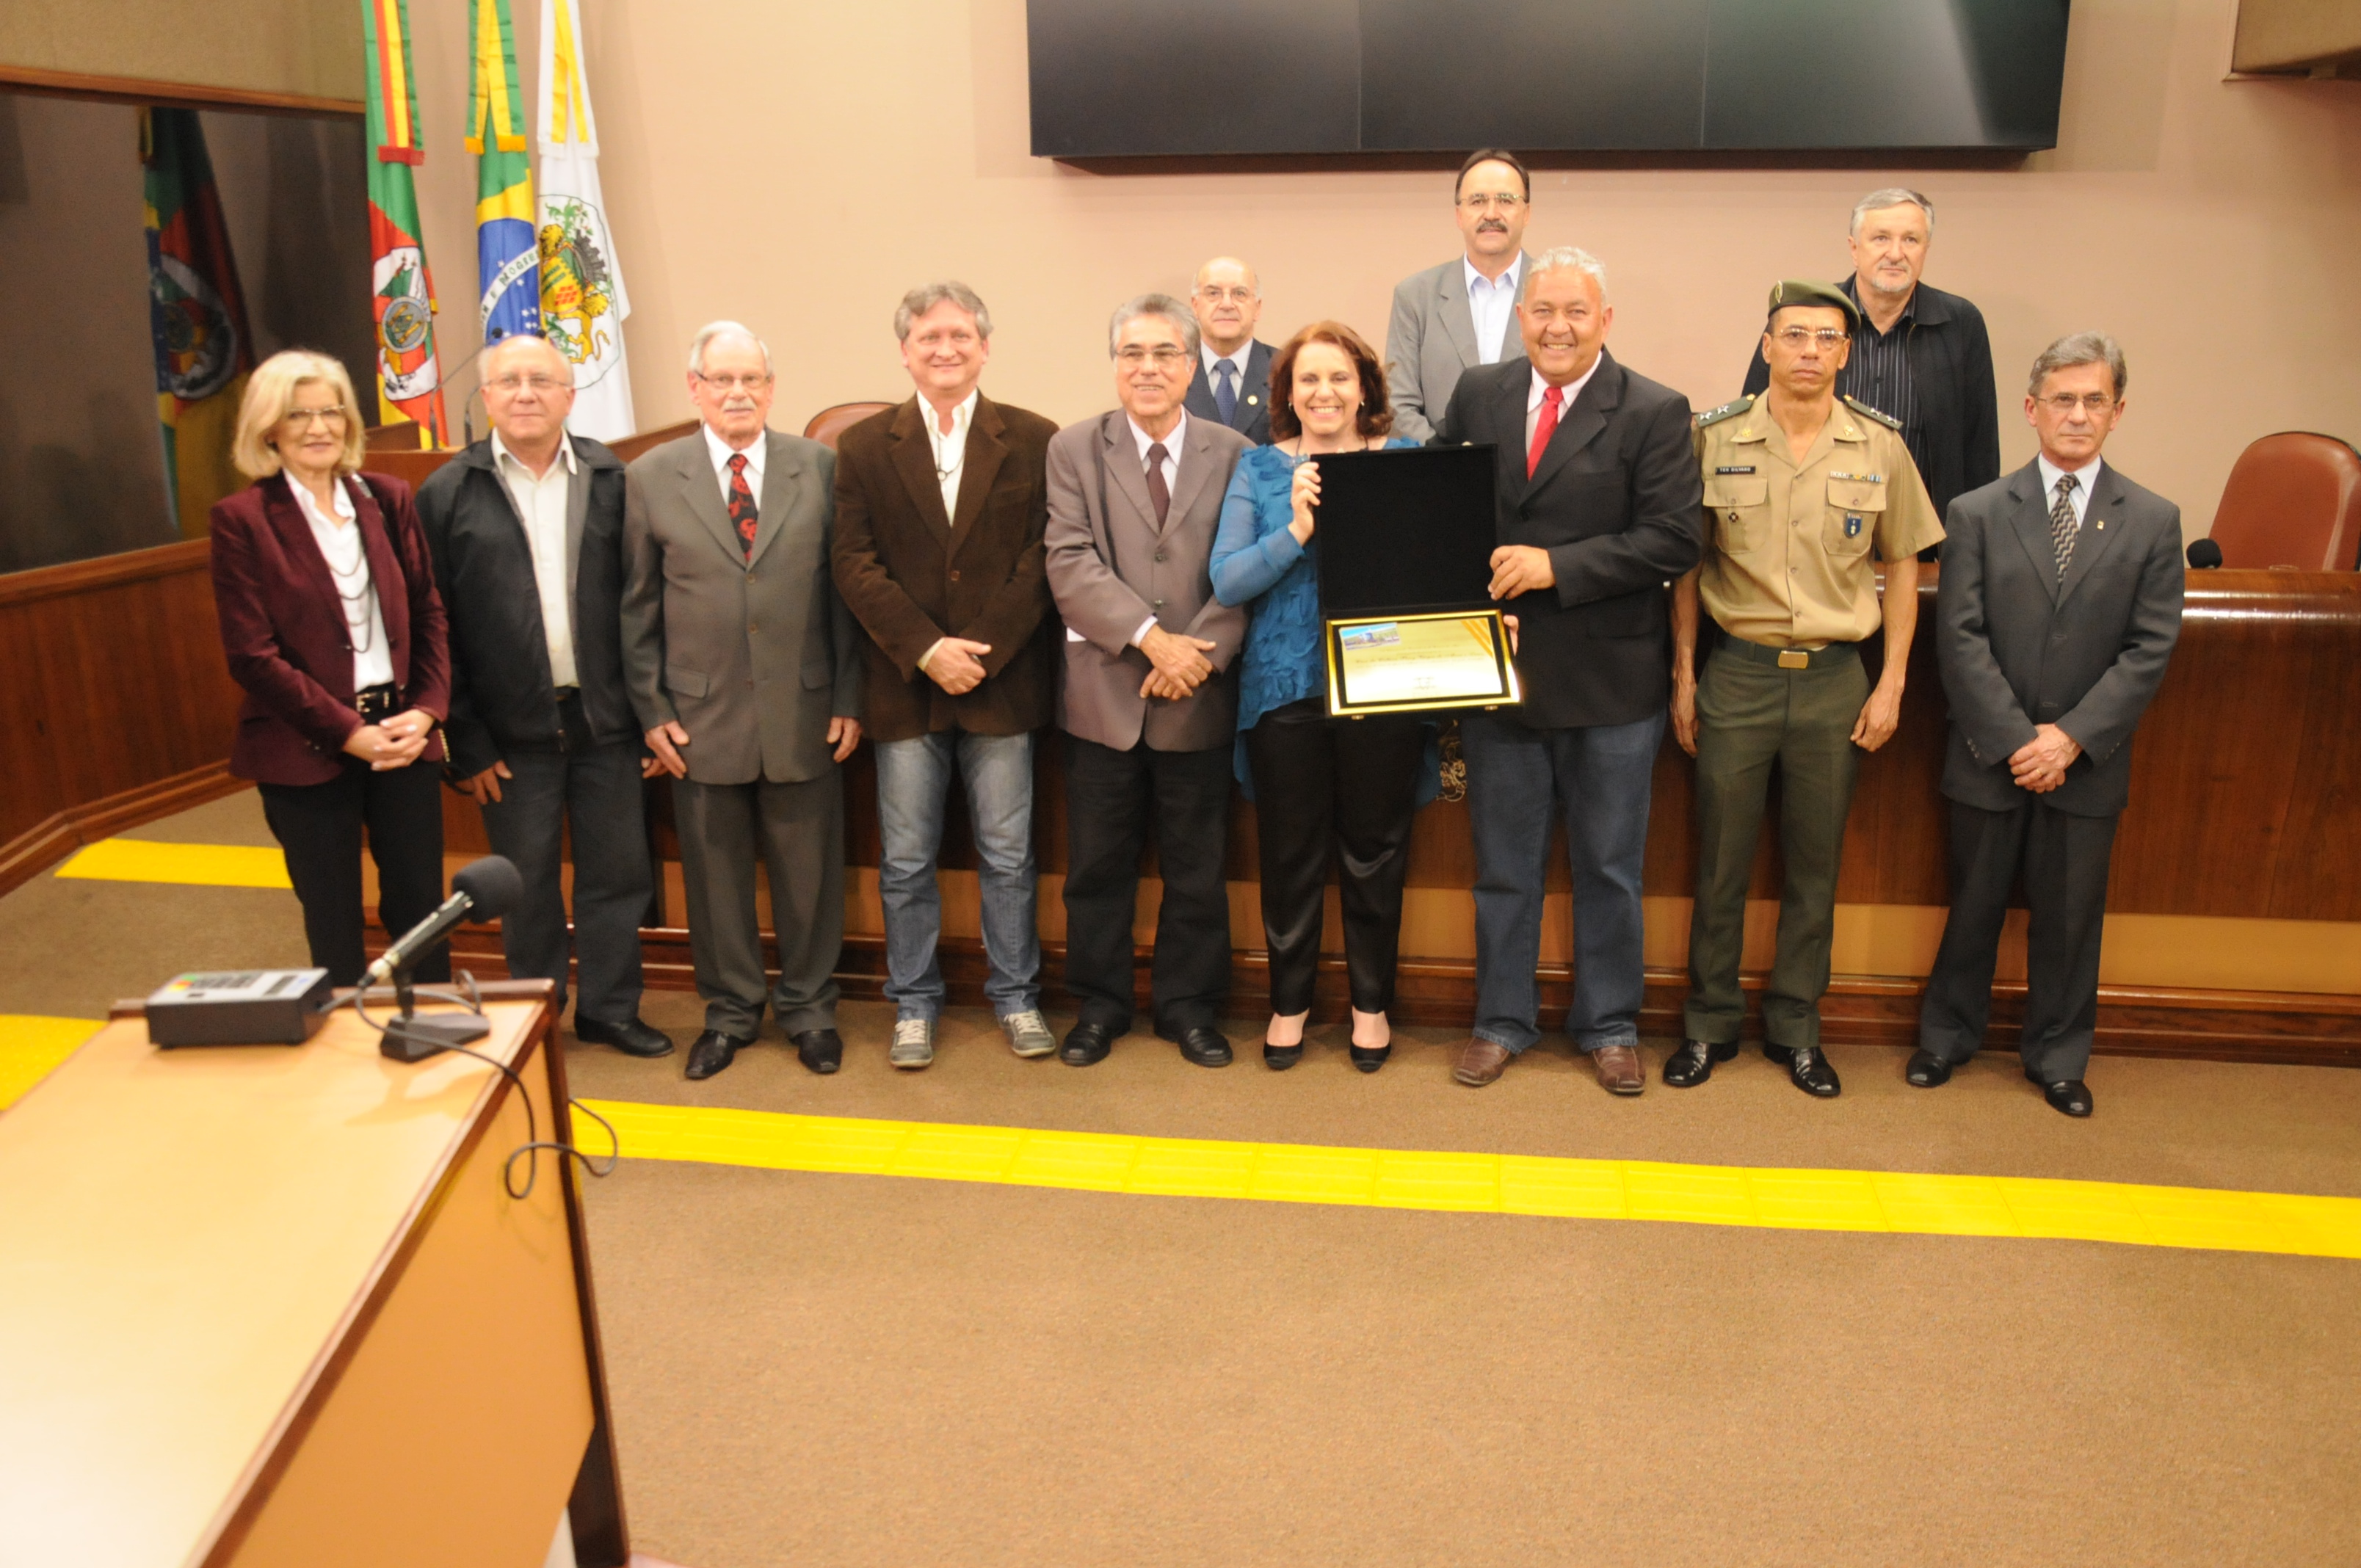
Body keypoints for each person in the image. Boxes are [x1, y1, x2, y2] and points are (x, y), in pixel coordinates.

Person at [1432, 247, 1702, 1097]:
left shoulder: (1656, 410)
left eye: (1576, 312)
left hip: (1612, 687)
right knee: (1503, 864)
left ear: (1605, 320)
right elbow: (1441, 506)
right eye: (1543, 311)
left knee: (1611, 866)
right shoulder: (1480, 392)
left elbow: (1675, 538)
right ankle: (1500, 1021)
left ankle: (1610, 1024)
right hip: (1499, 675)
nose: (1557, 326)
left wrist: (1557, 567)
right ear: (1521, 318)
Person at [1668, 282, 1945, 1100]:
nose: (1810, 352)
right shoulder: (1711, 439)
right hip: (1739, 672)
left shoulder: (1879, 445)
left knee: (1814, 868)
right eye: (1794, 336)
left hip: (1833, 681)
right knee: (1718, 863)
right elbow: (1685, 564)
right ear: (1766, 343)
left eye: (1828, 338)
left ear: (1846, 352)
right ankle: (1708, 1026)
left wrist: (1892, 682)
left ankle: (1797, 1029)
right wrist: (1684, 675)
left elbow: (1903, 564)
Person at [1912, 334, 2183, 1118]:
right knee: (1973, 904)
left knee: (2071, 918)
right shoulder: (1978, 512)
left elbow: (2150, 647)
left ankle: (2059, 1057)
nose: (2077, 414)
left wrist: (2068, 738)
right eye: (2062, 399)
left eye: (2094, 400)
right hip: (1987, 753)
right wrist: (2016, 739)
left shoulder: (2154, 520)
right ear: (2031, 410)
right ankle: (1946, 1039)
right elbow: (1958, 638)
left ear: (2117, 412)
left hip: (2086, 761)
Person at [415, 334, 670, 1060]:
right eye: (508, 381)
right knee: (524, 888)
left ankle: (611, 1011)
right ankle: (536, 1018)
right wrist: (464, 740)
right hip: (507, 736)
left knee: (617, 877)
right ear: (487, 398)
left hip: (608, 724)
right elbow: (434, 626)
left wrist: (653, 717)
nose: (525, 393)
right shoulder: (448, 491)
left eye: (541, 380)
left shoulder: (611, 477)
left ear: (569, 395)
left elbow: (647, 604)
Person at [620, 322, 864, 1081]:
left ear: (770, 386)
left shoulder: (819, 468)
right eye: (721, 380)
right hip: (698, 719)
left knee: (809, 874)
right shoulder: (651, 476)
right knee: (715, 878)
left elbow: (847, 597)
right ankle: (728, 1014)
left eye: (751, 380)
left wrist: (851, 696)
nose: (737, 393)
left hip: (806, 707)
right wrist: (653, 709)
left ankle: (810, 1009)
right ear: (694, 388)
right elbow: (635, 606)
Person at [831, 282, 1061, 1070]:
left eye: (961, 335)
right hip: (906, 685)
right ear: (905, 351)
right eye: (929, 338)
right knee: (904, 859)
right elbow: (853, 564)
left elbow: (1043, 557)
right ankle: (914, 1003)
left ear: (985, 347)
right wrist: (929, 649)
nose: (945, 349)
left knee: (1007, 855)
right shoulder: (862, 447)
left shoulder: (1035, 438)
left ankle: (1017, 996)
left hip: (1003, 683)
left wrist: (980, 648)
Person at [1045, 294, 1252, 1068]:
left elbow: (1244, 569)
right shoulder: (1073, 449)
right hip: (1105, 692)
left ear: (1192, 365)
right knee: (1098, 864)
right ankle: (1099, 1006)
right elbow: (1069, 561)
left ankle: (1188, 1007)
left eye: (1165, 353)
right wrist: (1152, 641)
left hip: (1199, 691)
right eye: (1133, 353)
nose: (1149, 368)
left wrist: (1196, 655)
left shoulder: (1233, 450)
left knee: (1197, 864)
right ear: (1115, 365)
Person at [1210, 321, 1424, 1072]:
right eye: (1308, 380)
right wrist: (1297, 529)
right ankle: (1288, 1004)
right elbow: (1229, 580)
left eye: (1339, 378)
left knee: (1374, 851)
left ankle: (1372, 1007)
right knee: (1291, 854)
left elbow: (1432, 569)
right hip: (1284, 687)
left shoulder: (1402, 462)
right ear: (1287, 393)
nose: (1324, 392)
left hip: (1382, 683)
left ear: (1364, 388)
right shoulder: (1260, 469)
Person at [208, 349, 450, 988]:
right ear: (269, 428)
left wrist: (425, 711)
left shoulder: (389, 498)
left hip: (403, 735)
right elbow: (251, 655)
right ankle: (348, 1060)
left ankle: (431, 1034)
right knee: (334, 915)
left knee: (421, 905)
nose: (319, 428)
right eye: (299, 415)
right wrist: (349, 733)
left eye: (330, 412)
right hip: (306, 744)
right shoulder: (242, 521)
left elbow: (429, 613)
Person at [1741, 189, 1998, 534]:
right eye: (1881, 239)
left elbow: (1979, 450)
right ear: (1854, 249)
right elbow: (1755, 422)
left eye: (1911, 240)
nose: (1896, 253)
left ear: (1926, 249)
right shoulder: (1806, 318)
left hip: (1923, 540)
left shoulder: (1961, 324)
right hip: (1812, 537)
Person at [1384, 149, 1537, 443]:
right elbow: (1397, 406)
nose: (1491, 214)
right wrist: (1450, 462)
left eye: (1506, 200)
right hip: (1440, 476)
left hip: (1536, 476)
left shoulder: (1555, 295)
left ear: (1527, 213)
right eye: (1478, 201)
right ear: (1459, 215)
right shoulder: (1415, 296)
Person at [1182, 257, 1274, 445]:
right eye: (1213, 293)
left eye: (1239, 294)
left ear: (1258, 307)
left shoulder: (1284, 369)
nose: (1226, 304)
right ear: (1195, 305)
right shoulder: (1173, 370)